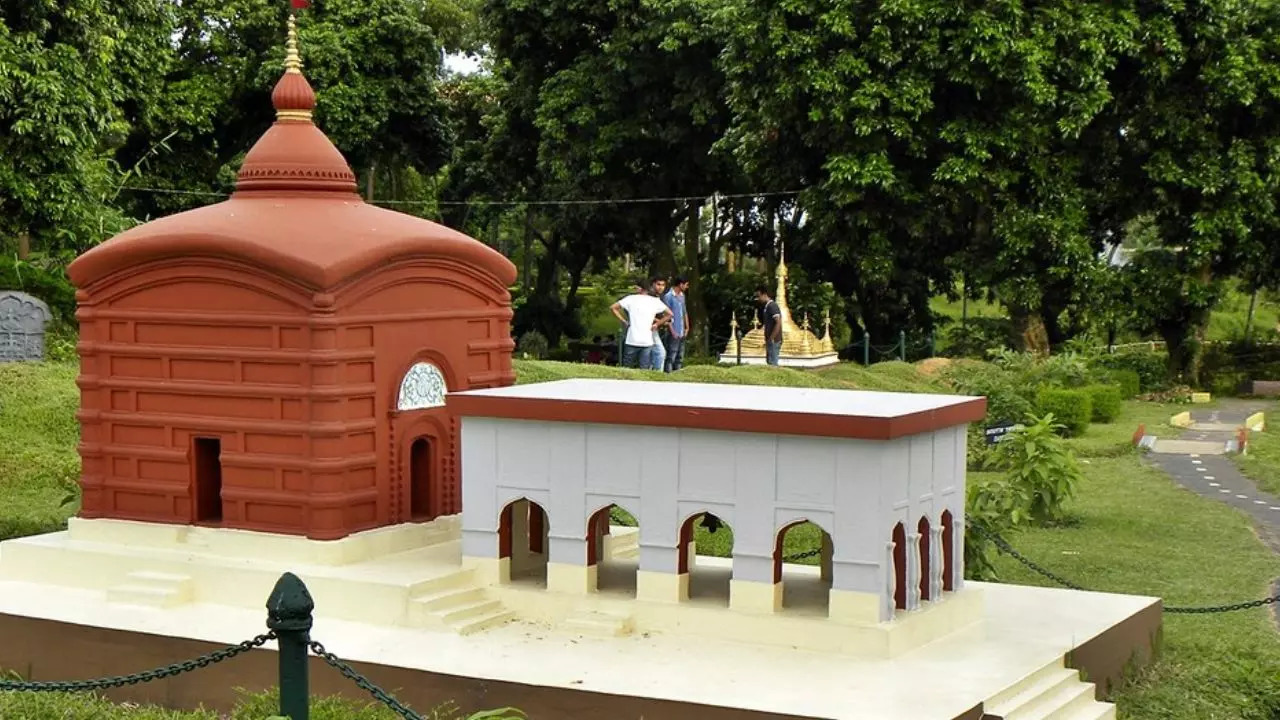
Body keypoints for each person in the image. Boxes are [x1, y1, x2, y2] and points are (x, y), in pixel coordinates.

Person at [611, 278, 671, 369]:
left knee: (627, 367)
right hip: (647, 341)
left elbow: (613, 307)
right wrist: (657, 324)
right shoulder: (654, 301)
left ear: (639, 288)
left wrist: (623, 321)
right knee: (644, 368)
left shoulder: (630, 299)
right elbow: (670, 314)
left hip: (632, 339)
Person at [662, 275, 690, 373]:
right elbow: (667, 315)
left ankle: (678, 373)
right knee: (671, 355)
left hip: (682, 329)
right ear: (681, 284)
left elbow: (684, 312)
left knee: (680, 355)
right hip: (673, 330)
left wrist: (687, 327)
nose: (687, 287)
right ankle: (668, 373)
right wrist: (672, 330)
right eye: (686, 285)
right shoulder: (668, 296)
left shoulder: (682, 296)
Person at [756, 284, 782, 366]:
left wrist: (772, 338)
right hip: (769, 340)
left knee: (773, 364)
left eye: (759, 296)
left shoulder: (772, 306)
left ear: (764, 295)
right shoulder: (766, 307)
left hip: (773, 340)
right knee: (770, 362)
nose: (758, 299)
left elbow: (778, 322)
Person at [647, 276, 670, 371]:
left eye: (663, 285)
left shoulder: (660, 297)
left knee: (652, 354)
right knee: (660, 352)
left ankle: (652, 372)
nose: (661, 287)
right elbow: (646, 313)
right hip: (649, 328)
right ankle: (657, 373)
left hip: (654, 328)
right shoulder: (650, 297)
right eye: (658, 284)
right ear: (653, 284)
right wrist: (660, 322)